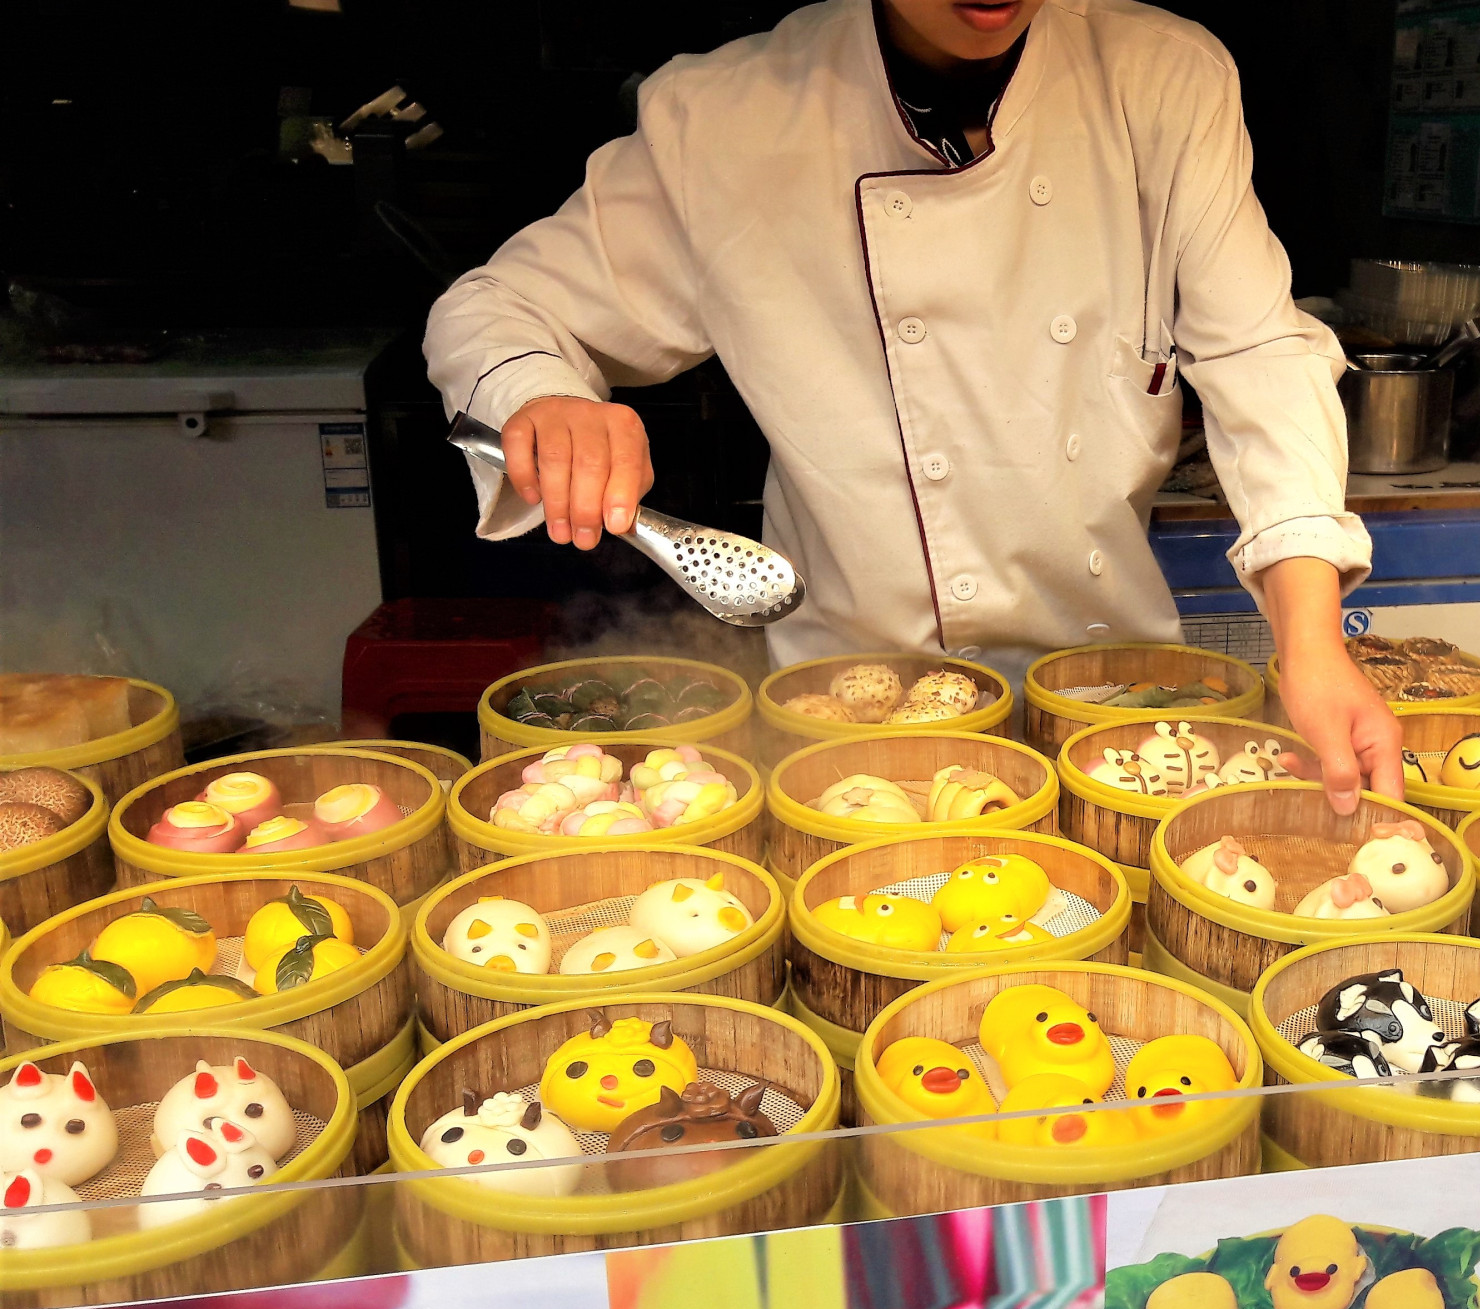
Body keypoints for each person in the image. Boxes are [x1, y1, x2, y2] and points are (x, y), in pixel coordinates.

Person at [425, 0, 1404, 811]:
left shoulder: (1160, 80)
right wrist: (544, 393)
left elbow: (1256, 351)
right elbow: (493, 310)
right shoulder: (724, 118)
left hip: (1109, 707)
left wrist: (1308, 640)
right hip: (848, 729)